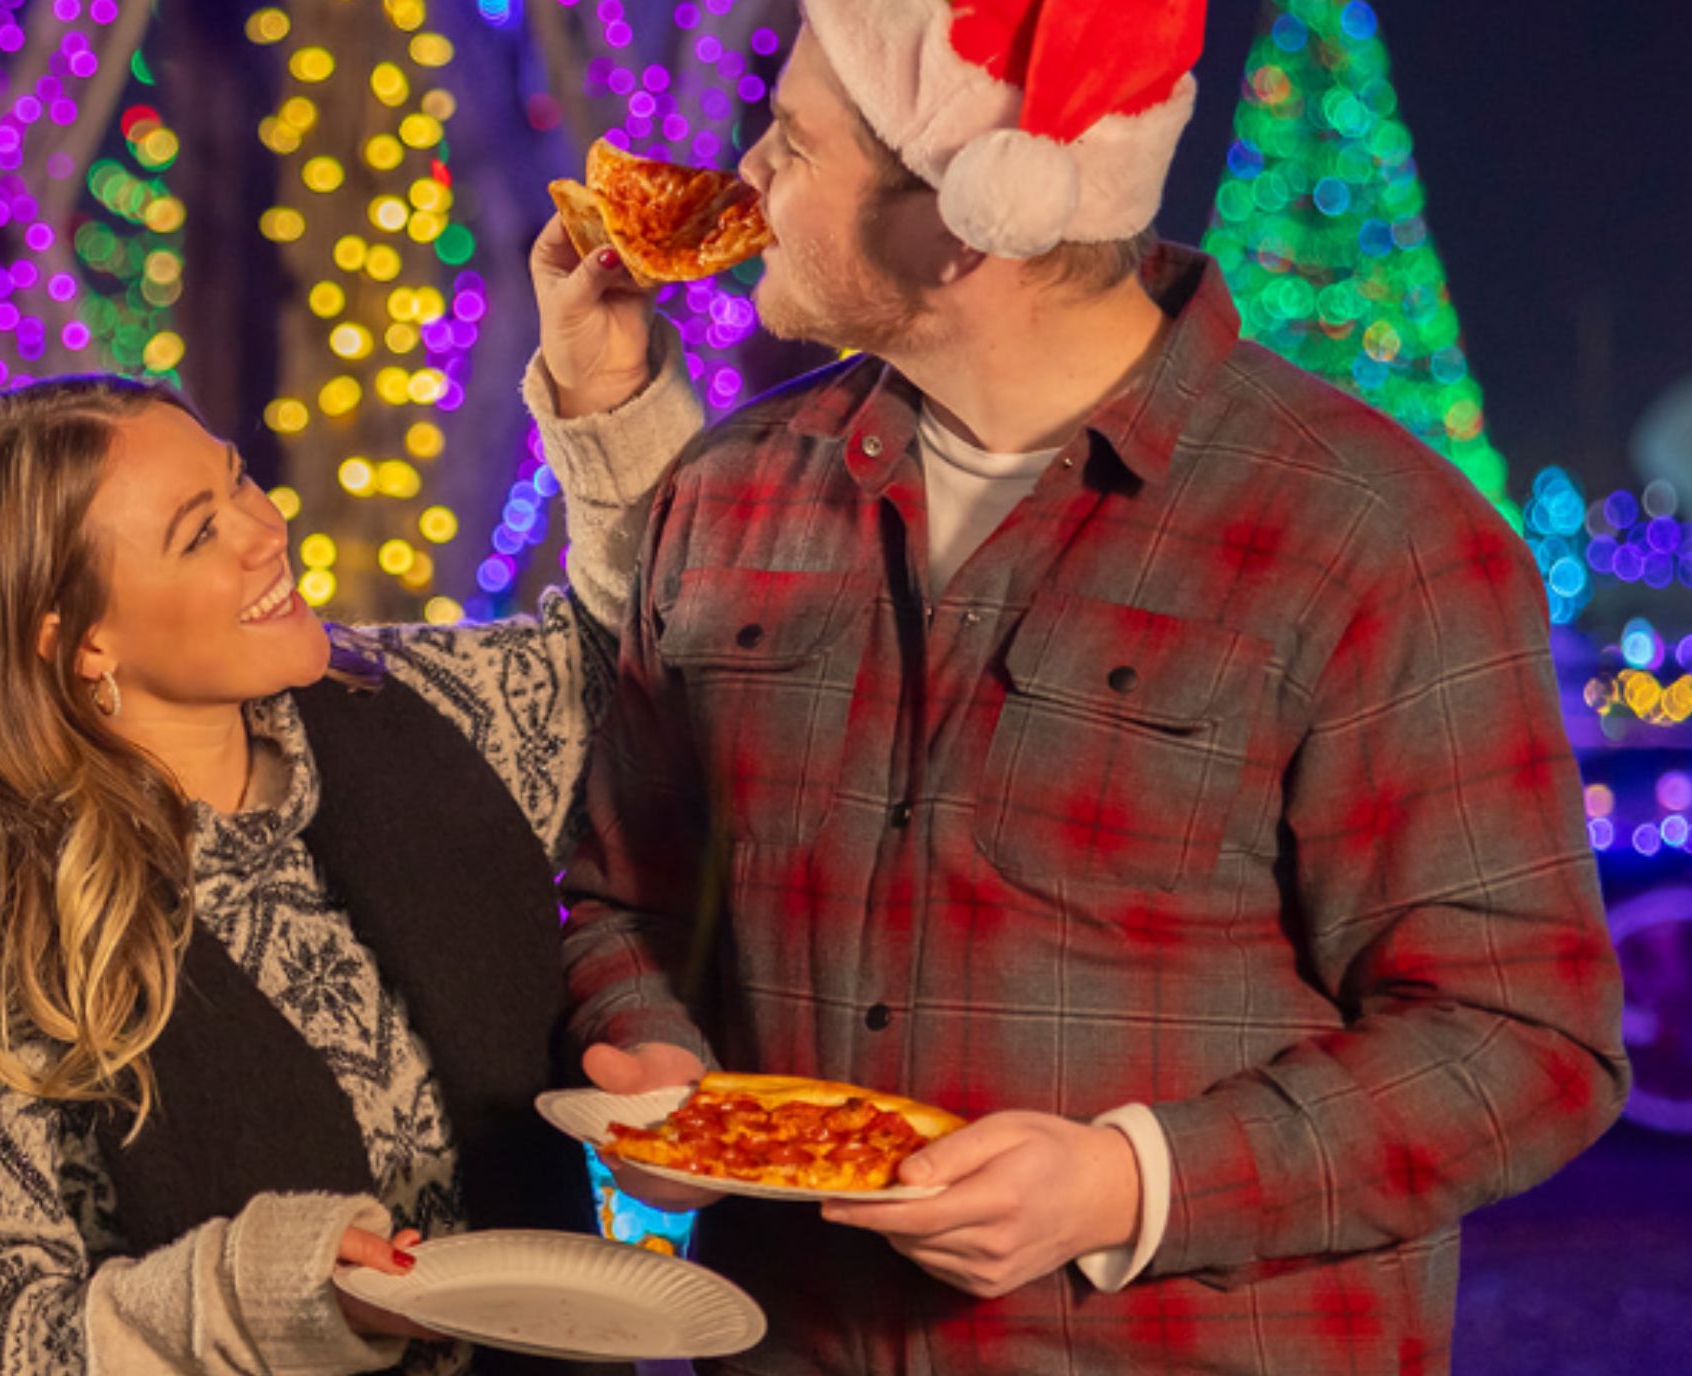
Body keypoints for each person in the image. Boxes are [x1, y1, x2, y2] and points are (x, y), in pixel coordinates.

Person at [557, 2, 1630, 1371]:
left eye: (796, 145)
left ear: (963, 221)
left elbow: (1524, 1039)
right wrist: (651, 1058)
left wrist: (1131, 1183)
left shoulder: (1376, 537)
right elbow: (625, 893)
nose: (747, 175)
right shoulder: (726, 497)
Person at [0, 217, 704, 1372]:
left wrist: (605, 385)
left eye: (235, 482)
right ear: (78, 641)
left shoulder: (405, 709)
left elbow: (626, 658)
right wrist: (266, 1295)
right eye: (198, 534)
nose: (264, 529)